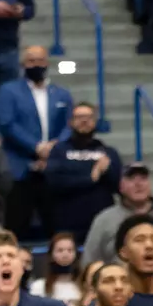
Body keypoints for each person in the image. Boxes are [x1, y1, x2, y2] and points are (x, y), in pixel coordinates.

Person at [0, 44, 73, 237]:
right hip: (20, 167)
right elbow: (7, 123)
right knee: (16, 226)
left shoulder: (61, 94)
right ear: (23, 64)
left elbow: (70, 124)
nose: (36, 64)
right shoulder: (8, 91)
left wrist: (54, 147)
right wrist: (36, 147)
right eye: (31, 60)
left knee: (57, 227)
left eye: (40, 60)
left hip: (53, 168)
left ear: (47, 63)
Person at [83, 163, 153, 283]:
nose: (138, 184)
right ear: (121, 186)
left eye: (143, 178)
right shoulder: (104, 221)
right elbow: (90, 264)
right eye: (131, 179)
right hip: (122, 296)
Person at [44, 101, 121, 242]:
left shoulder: (108, 152)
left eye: (88, 117)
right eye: (79, 117)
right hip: (67, 225)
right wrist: (91, 177)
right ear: (70, 122)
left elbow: (118, 185)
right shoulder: (59, 151)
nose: (84, 120)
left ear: (95, 122)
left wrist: (105, 171)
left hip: (101, 224)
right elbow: (54, 182)